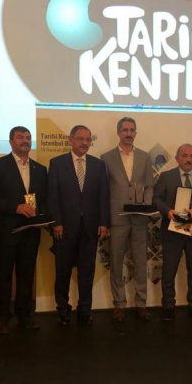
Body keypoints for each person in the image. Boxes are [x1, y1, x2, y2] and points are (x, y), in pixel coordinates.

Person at [0, 126, 48, 333]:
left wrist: (43, 215)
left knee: (26, 277)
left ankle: (24, 315)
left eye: (28, 137)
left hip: (31, 233)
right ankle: (2, 318)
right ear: (11, 141)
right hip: (7, 233)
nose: (25, 140)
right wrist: (16, 207)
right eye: (20, 137)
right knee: (3, 277)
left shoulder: (40, 169)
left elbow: (44, 199)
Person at [48, 125, 110, 325]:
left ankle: (84, 310)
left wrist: (103, 222)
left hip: (90, 228)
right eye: (80, 138)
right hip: (64, 228)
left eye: (88, 139)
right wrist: (56, 222)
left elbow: (103, 196)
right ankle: (63, 309)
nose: (84, 143)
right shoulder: (57, 163)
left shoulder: (98, 165)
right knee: (63, 271)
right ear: (70, 140)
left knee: (87, 271)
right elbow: (53, 196)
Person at [101, 117, 154, 322]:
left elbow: (149, 185)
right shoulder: (106, 158)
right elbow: (104, 191)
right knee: (116, 262)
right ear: (118, 132)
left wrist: (145, 206)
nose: (128, 133)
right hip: (117, 219)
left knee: (140, 262)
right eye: (125, 130)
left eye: (132, 130)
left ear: (136, 133)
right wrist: (105, 220)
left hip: (139, 219)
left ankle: (141, 303)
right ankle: (119, 304)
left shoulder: (145, 157)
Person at [153, 144, 192, 320]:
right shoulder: (166, 176)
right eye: (185, 155)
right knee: (169, 271)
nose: (188, 159)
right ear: (177, 158)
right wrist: (168, 211)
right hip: (172, 231)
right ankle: (168, 306)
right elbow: (156, 199)